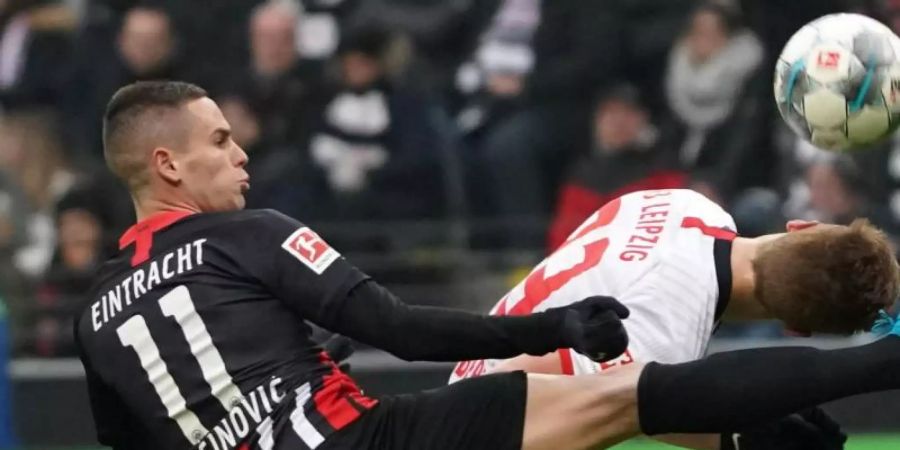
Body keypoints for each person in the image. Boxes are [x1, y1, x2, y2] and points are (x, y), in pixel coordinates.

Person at [76, 81, 900, 450]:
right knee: (623, 397)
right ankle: (881, 363)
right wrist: (553, 324)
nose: (241, 153)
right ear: (169, 165)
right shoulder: (248, 234)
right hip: (365, 441)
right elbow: (395, 328)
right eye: (220, 140)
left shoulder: (94, 315)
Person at [452, 186, 898, 447]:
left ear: (802, 226)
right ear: (795, 328)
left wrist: (731, 434)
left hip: (464, 379)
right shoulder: (662, 333)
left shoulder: (688, 205)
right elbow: (520, 386)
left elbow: (641, 400)